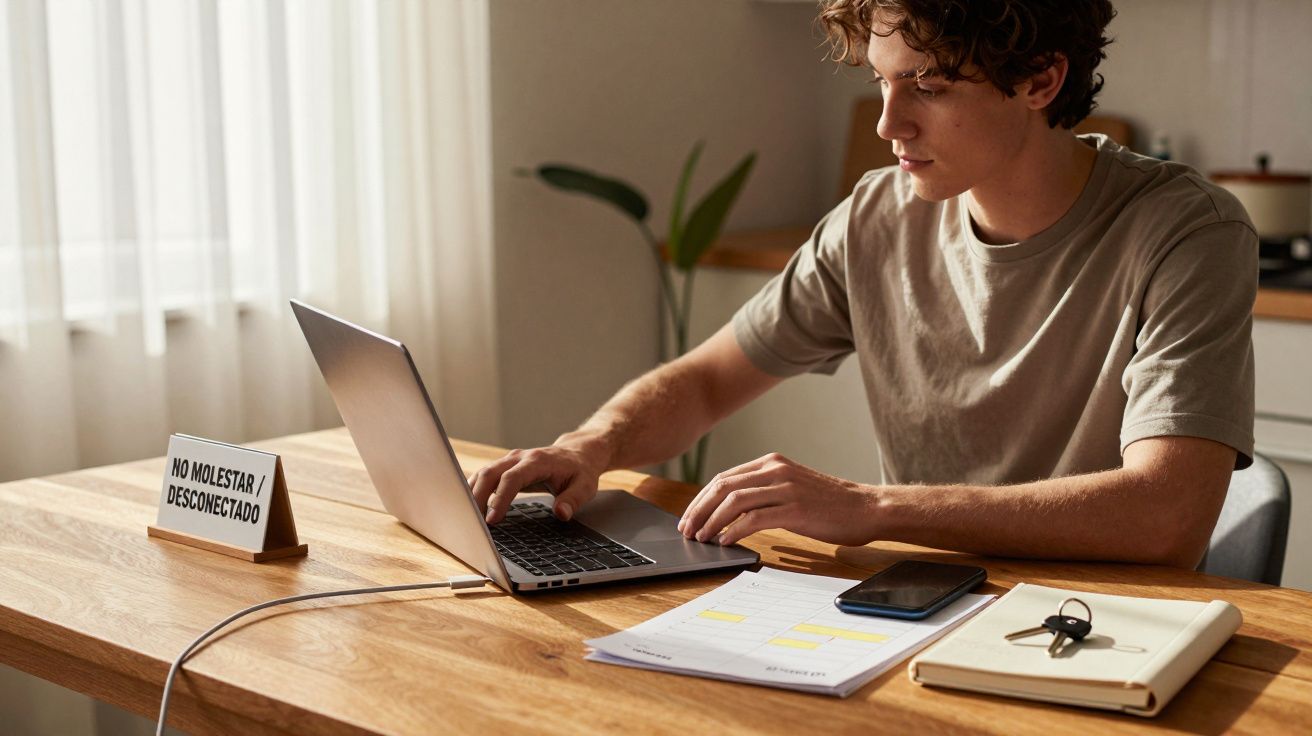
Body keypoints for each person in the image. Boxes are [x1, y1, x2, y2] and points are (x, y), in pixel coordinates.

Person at [470, 0, 1257, 569]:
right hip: (910, 607)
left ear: (1040, 80)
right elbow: (708, 382)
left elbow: (1167, 517)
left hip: (1097, 627)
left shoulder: (1186, 231)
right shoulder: (876, 216)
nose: (888, 123)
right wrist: (592, 444)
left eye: (928, 87)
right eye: (881, 80)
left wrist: (870, 508)